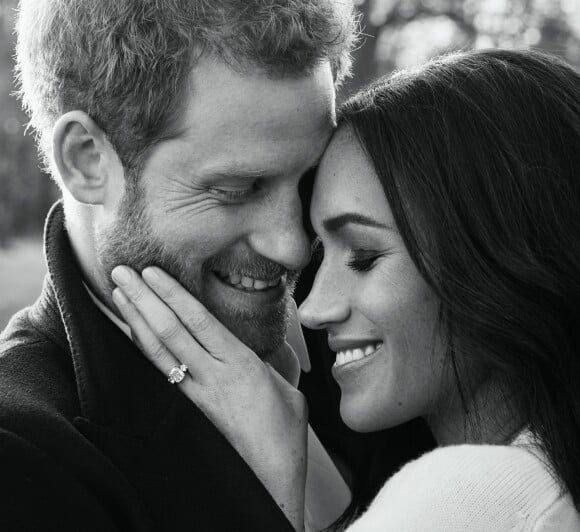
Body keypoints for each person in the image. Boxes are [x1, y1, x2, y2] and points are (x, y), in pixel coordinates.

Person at [113, 49, 580, 531]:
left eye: (363, 257)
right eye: (321, 254)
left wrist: (270, 488)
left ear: (504, 259)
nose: (312, 311)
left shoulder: (467, 497)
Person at [0, 0, 363, 530]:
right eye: (238, 189)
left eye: (308, 181)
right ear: (87, 161)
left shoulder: (366, 316)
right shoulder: (22, 458)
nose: (294, 247)